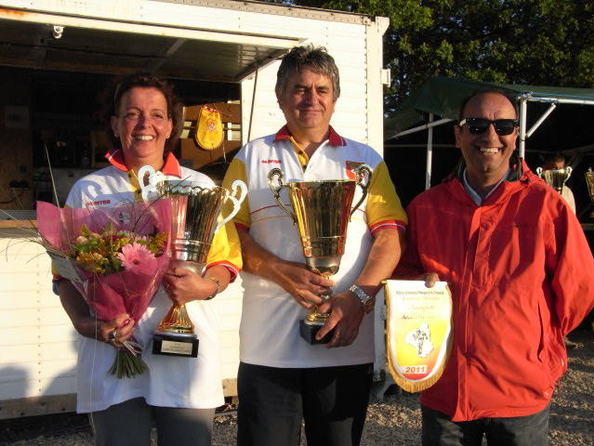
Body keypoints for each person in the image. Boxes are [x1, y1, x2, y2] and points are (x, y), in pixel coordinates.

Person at [221, 45, 407, 446]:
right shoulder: (252, 157)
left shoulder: (366, 160)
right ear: (281, 96)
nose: (311, 98)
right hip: (267, 348)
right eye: (300, 88)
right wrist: (276, 269)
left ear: (335, 98)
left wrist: (357, 298)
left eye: (322, 89)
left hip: (345, 344)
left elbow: (390, 236)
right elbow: (228, 234)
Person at [395, 90, 594, 445]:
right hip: (447, 391)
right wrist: (416, 285)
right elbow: (402, 275)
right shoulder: (426, 208)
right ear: (457, 135)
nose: (490, 136)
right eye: (476, 126)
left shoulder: (546, 206)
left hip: (520, 392)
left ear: (515, 135)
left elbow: (579, 288)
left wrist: (537, 345)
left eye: (503, 126)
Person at [54, 73, 242, 446]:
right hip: (113, 353)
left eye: (157, 115)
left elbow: (226, 262)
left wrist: (204, 287)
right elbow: (65, 276)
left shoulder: (201, 186)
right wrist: (85, 323)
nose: (145, 125)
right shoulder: (89, 190)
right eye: (132, 114)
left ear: (171, 125)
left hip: (185, 354)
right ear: (115, 123)